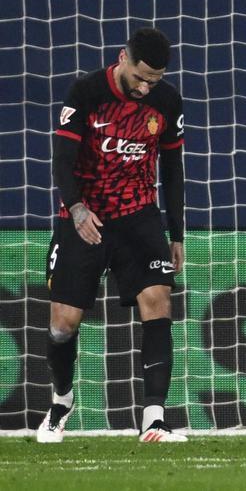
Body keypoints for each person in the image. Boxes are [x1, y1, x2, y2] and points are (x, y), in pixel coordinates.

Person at [39, 28, 187, 443]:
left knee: (158, 300)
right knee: (63, 325)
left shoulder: (167, 101)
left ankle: (154, 420)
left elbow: (172, 169)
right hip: (85, 217)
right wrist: (77, 208)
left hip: (138, 215)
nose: (145, 88)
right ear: (123, 58)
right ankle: (61, 401)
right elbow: (62, 159)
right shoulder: (86, 92)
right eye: (140, 77)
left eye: (154, 80)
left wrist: (176, 232)